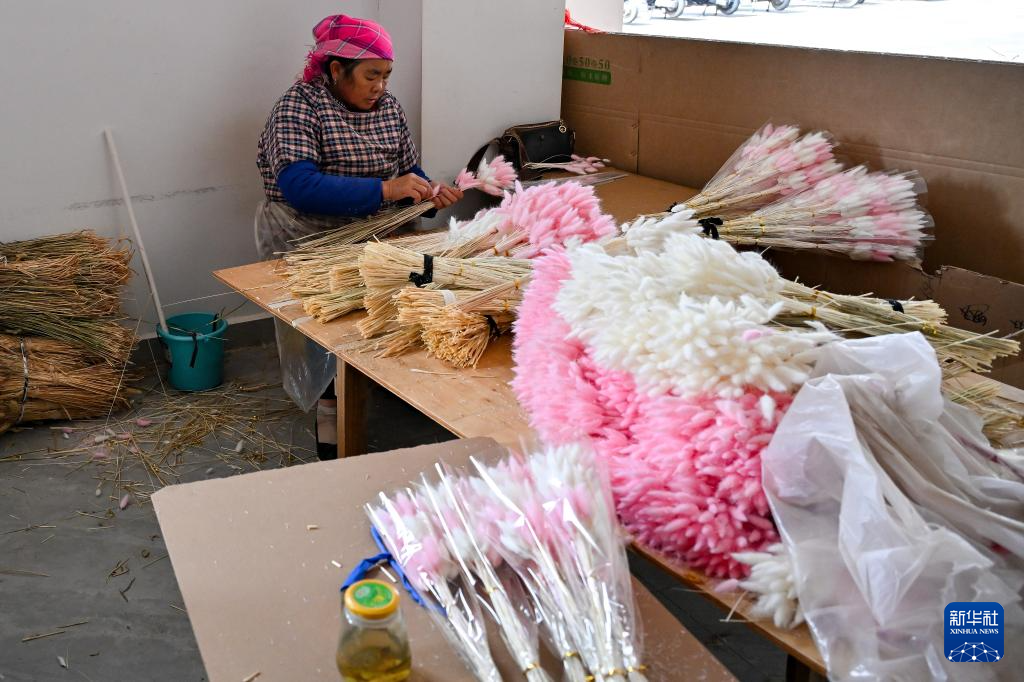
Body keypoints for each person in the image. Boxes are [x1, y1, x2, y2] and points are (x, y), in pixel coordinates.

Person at [255, 14, 463, 458]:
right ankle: (332, 424)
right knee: (328, 336)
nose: (380, 87)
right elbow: (300, 187)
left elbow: (407, 171)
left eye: (386, 76)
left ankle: (385, 391)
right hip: (309, 236)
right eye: (371, 76)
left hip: (378, 234)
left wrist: (428, 194)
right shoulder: (298, 107)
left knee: (386, 317)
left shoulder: (389, 109)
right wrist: (386, 190)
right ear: (336, 70)